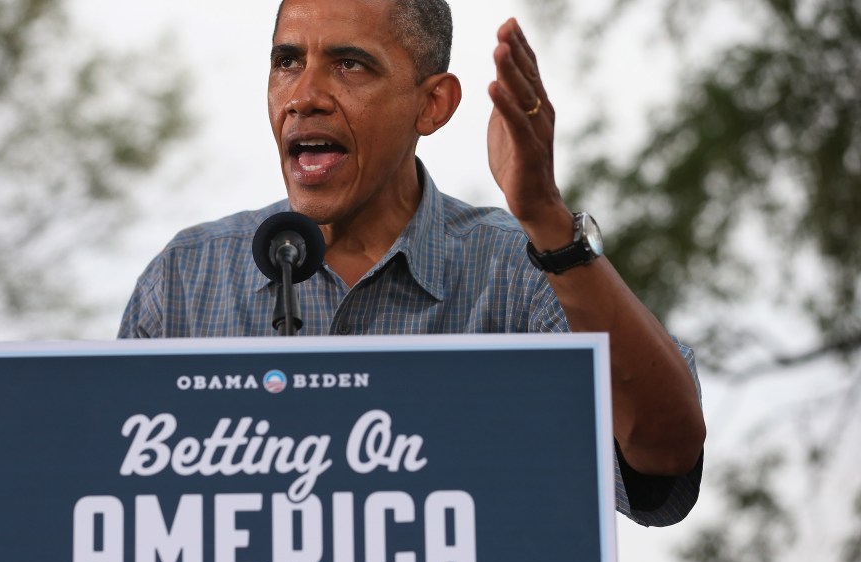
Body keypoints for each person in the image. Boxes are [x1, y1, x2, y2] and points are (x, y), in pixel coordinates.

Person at [120, 0, 706, 528]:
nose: (305, 95)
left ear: (433, 104)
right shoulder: (182, 283)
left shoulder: (517, 270)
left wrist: (547, 217)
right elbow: (115, 508)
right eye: (287, 61)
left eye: (350, 64)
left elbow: (665, 452)